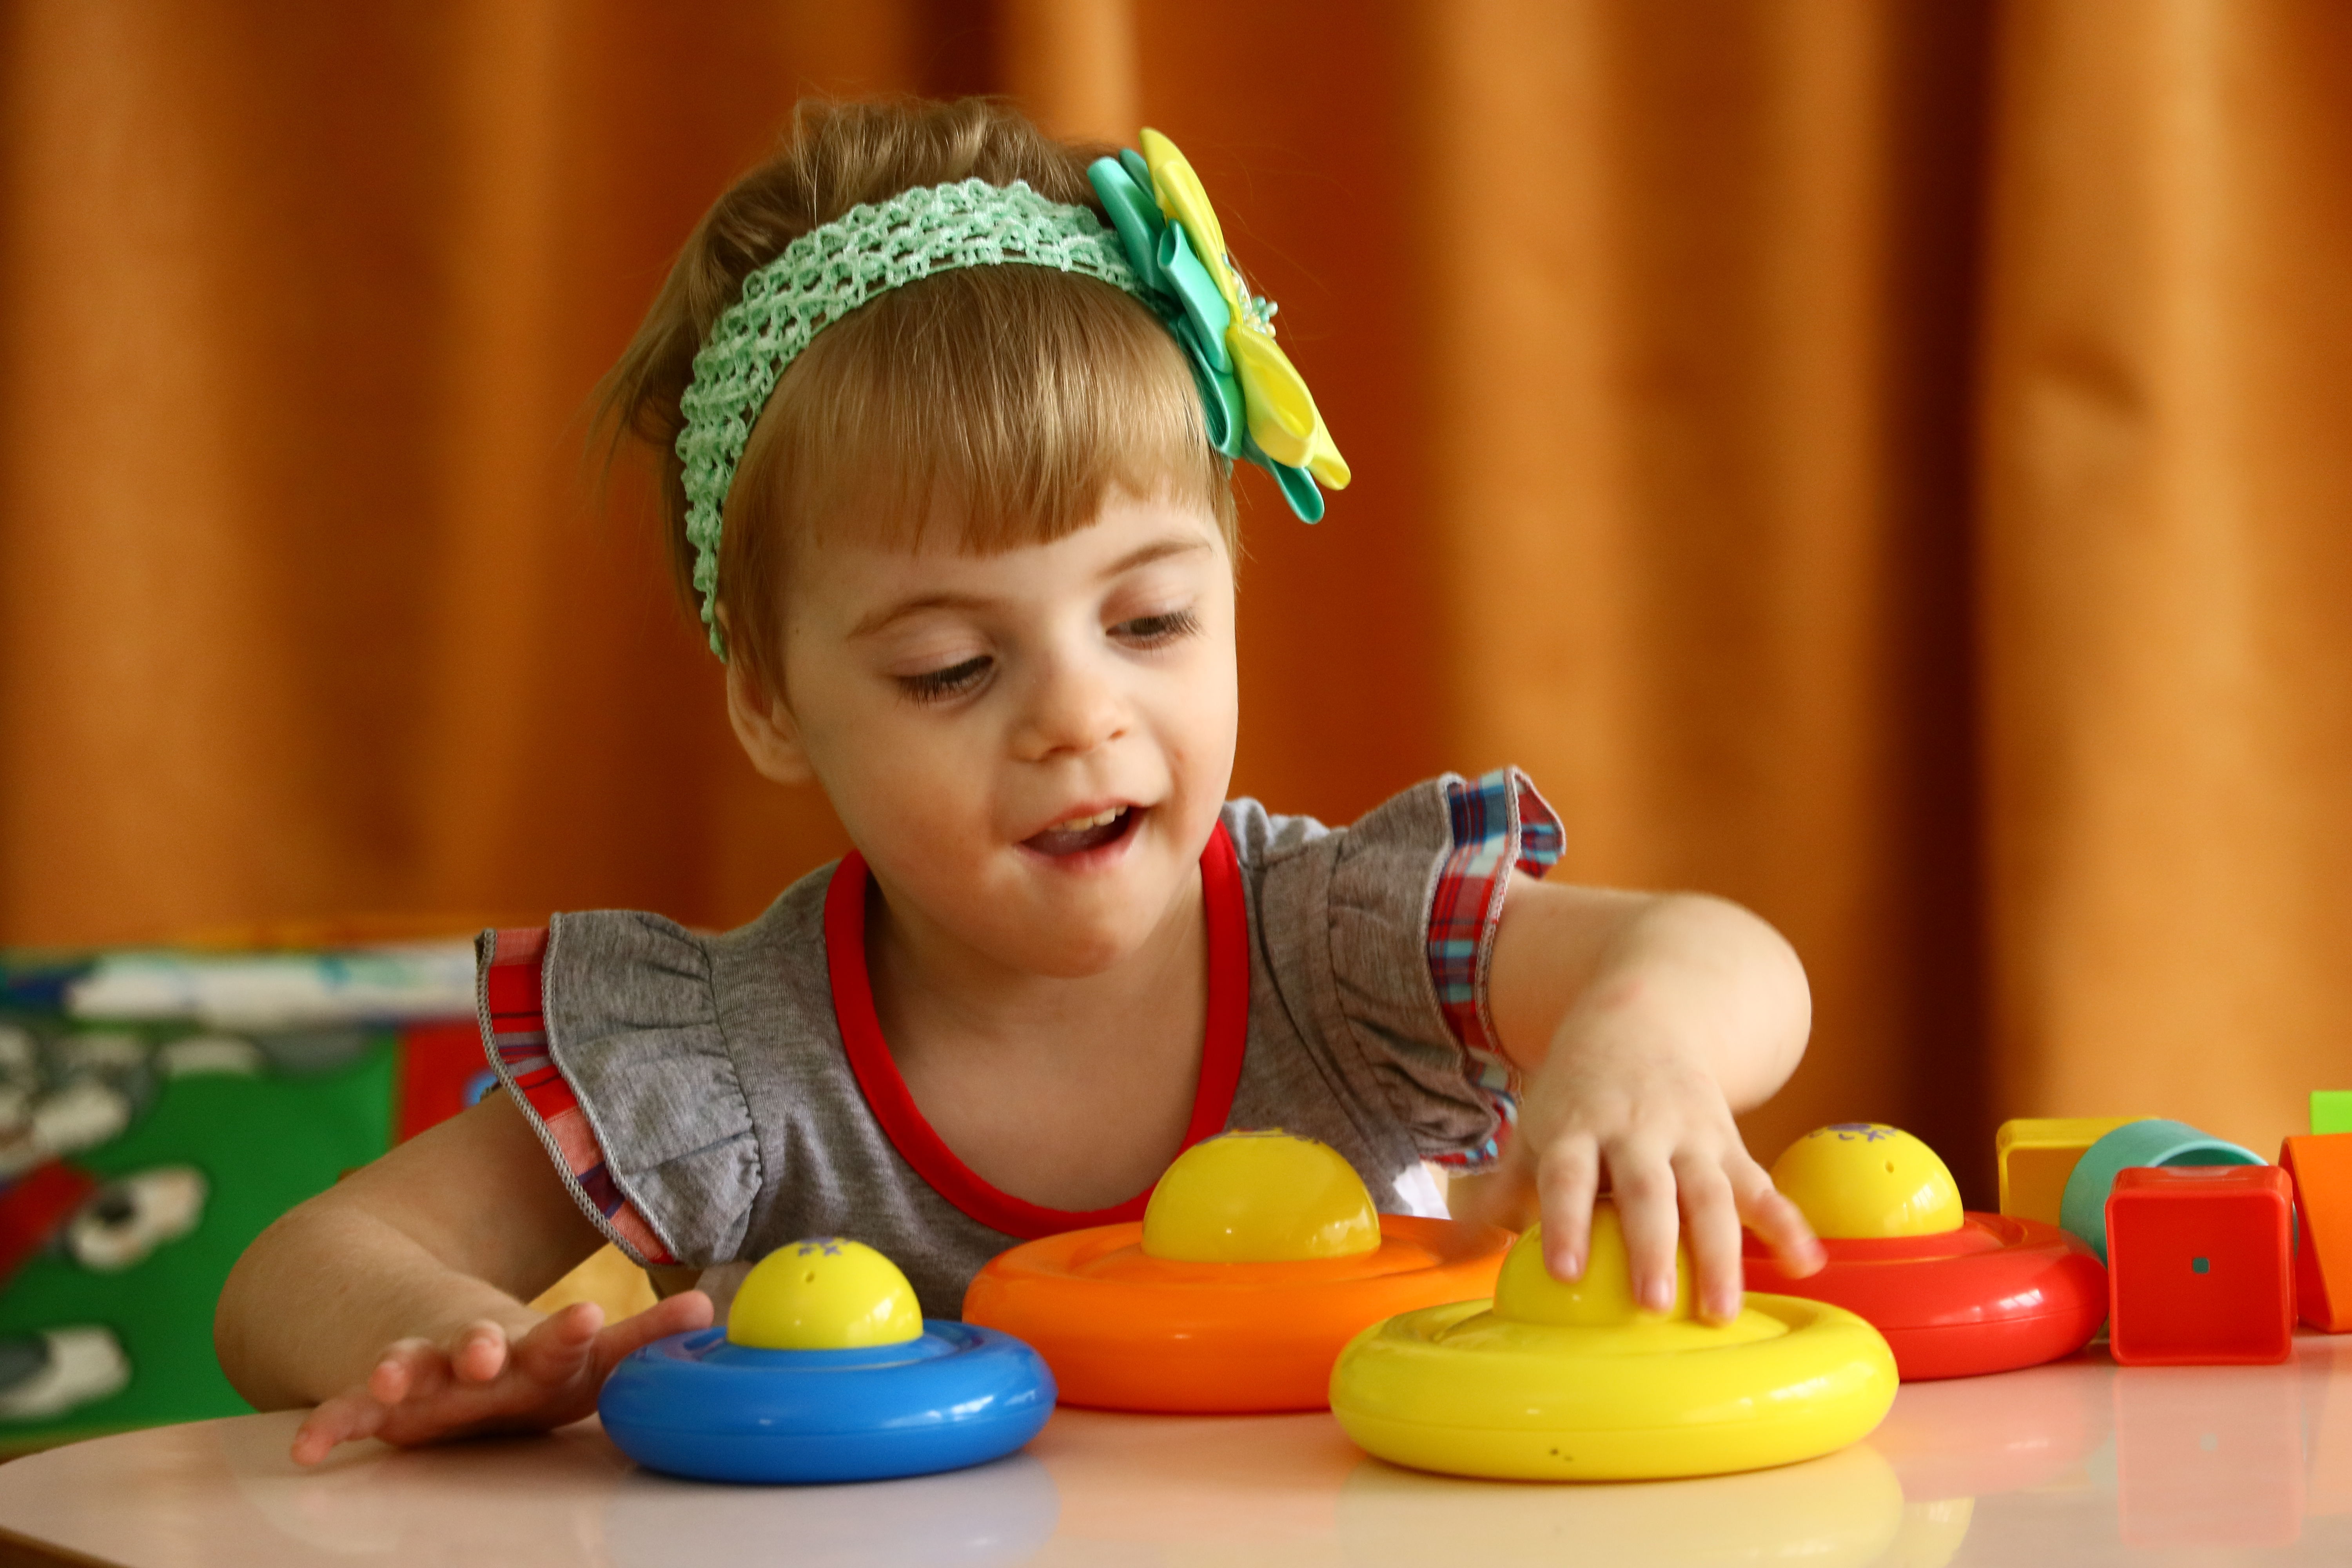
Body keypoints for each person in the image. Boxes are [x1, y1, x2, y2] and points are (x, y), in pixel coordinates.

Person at [215, 96, 1823, 1465]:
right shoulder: (728, 1064)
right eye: (951, 668)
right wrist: (464, 1338)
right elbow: (292, 1272)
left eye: (1150, 621)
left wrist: (1637, 1045)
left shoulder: (1337, 946)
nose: (1079, 717)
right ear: (772, 703)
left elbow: (1723, 953)